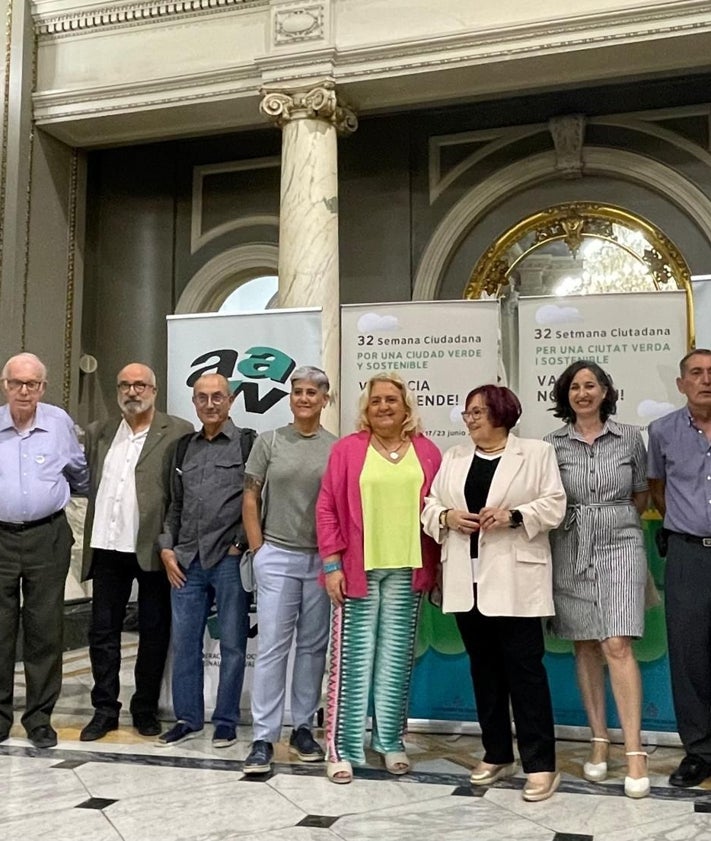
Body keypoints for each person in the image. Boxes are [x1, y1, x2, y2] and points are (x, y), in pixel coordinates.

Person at [422, 384, 565, 802]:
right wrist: (446, 516)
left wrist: (515, 515)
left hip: (515, 580)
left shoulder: (536, 454)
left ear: (501, 413)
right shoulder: (454, 457)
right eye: (466, 413)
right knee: (484, 670)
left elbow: (554, 505)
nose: (469, 420)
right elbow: (429, 505)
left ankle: (541, 765)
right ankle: (497, 752)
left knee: (525, 674)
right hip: (466, 582)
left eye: (477, 412)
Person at [316, 372, 441, 784]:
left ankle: (390, 740)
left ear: (406, 407)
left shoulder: (427, 452)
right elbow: (327, 509)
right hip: (357, 572)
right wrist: (332, 564)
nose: (384, 407)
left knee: (395, 661)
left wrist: (437, 568)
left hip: (408, 569)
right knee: (352, 662)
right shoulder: (347, 450)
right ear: (365, 410)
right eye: (376, 401)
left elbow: (439, 510)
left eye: (391, 400)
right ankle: (342, 748)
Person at [544, 361, 650, 799]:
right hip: (569, 543)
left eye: (591, 385)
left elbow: (641, 492)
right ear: (565, 395)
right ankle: (598, 740)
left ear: (606, 391)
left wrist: (613, 523)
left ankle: (634, 751)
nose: (583, 393)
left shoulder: (629, 437)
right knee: (585, 642)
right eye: (574, 386)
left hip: (621, 540)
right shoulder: (551, 445)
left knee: (616, 643)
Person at [79, 363, 193, 741]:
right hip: (107, 545)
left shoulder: (177, 431)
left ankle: (144, 708)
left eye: (140, 385)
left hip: (151, 547)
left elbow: (179, 494)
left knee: (154, 631)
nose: (132, 391)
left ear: (154, 390)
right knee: (103, 632)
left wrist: (169, 541)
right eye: (125, 384)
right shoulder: (99, 433)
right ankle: (104, 709)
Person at [241, 366, 337, 774]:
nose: (303, 398)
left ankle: (302, 727)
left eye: (312, 392)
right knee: (273, 648)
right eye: (297, 391)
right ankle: (264, 736)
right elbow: (250, 497)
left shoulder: (337, 448)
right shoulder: (270, 441)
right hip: (276, 554)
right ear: (290, 397)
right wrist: (259, 548)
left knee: (313, 647)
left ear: (324, 400)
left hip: (320, 558)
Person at [156, 373, 252, 748]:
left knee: (232, 644)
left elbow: (257, 501)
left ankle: (226, 720)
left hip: (228, 561)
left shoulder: (246, 444)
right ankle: (188, 718)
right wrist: (166, 547)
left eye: (217, 397)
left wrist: (241, 543)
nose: (209, 404)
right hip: (185, 561)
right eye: (202, 398)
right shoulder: (183, 449)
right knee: (184, 643)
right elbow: (174, 505)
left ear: (230, 401)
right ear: (194, 403)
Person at [0, 352, 89, 748]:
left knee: (45, 630)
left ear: (43, 387)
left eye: (32, 384)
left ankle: (39, 719)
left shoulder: (58, 424)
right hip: (0, 538)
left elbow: (79, 472)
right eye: (17, 382)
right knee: (0, 631)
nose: (24, 390)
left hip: (47, 536)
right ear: (5, 385)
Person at [648, 348, 711, 788]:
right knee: (689, 656)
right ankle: (699, 751)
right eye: (696, 373)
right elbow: (657, 490)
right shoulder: (662, 432)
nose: (706, 379)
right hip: (689, 554)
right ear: (681, 384)